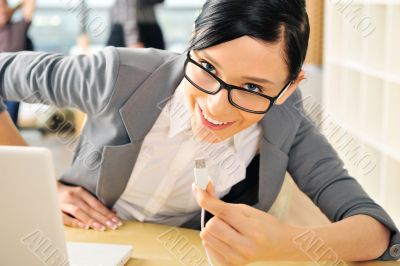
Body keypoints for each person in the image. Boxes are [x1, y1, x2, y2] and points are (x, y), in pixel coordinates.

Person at [0, 0, 399, 264]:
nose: (215, 106)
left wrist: (282, 242)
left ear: (289, 87)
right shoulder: (116, 75)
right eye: (208, 69)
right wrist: (42, 186)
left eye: (254, 88)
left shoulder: (287, 121)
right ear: (192, 41)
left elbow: (375, 229)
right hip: (79, 248)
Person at [0, 0, 35, 125]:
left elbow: (30, 3)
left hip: (14, 83)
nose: (2, 9)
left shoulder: (19, 26)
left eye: (4, 6)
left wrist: (12, 9)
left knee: (11, 120)